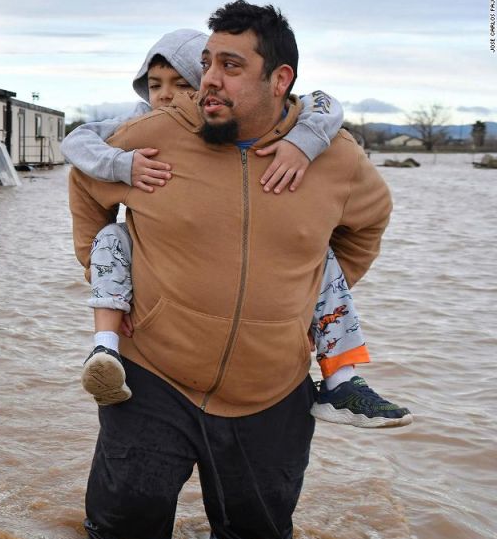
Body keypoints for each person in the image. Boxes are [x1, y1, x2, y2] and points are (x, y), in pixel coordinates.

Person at [68, 0, 394, 539]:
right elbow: (85, 183)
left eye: (231, 66)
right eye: (208, 62)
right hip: (151, 381)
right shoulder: (155, 137)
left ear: (279, 79)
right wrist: (120, 290)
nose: (208, 81)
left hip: (272, 393)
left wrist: (297, 300)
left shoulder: (333, 157)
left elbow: (369, 222)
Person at [61, 29, 410, 428]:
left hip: (272, 387)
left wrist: (299, 300)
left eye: (181, 84)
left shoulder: (312, 139)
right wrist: (120, 167)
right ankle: (104, 348)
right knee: (111, 239)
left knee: (321, 256)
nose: (167, 96)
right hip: (155, 372)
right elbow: (80, 153)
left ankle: (341, 381)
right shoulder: (145, 132)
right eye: (155, 86)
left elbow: (324, 106)